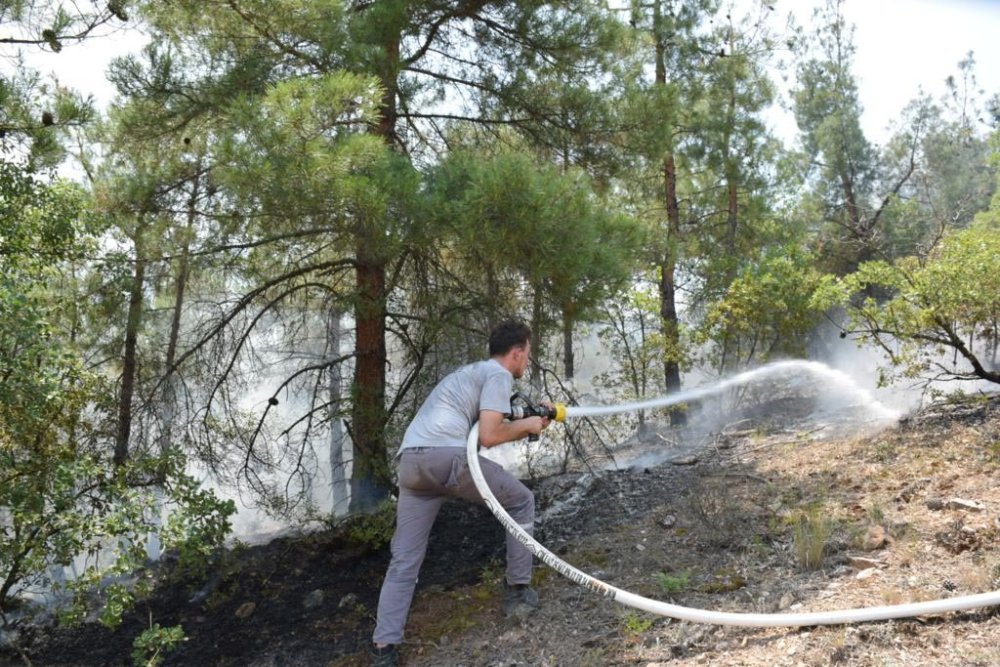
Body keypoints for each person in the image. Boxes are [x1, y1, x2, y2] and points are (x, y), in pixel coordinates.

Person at [370, 319, 550, 667]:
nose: (527, 361)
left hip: (412, 465)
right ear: (516, 352)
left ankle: (383, 648)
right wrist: (528, 426)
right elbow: (489, 435)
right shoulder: (498, 375)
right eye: (527, 354)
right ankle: (518, 592)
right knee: (521, 501)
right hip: (446, 458)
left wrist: (528, 417)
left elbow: (490, 419)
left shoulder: (469, 373)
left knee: (404, 559)